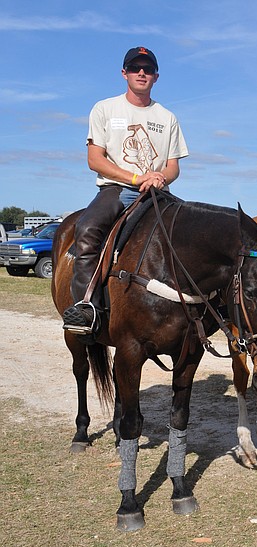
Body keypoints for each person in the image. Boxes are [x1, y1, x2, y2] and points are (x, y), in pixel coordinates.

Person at [62, 46, 189, 335]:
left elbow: (173, 167)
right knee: (87, 228)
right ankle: (85, 307)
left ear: (156, 76)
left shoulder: (167, 117)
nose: (141, 73)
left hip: (157, 192)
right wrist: (135, 178)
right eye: (135, 68)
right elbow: (95, 160)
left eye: (147, 68)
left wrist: (158, 178)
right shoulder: (105, 108)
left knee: (192, 232)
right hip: (116, 190)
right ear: (124, 73)